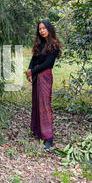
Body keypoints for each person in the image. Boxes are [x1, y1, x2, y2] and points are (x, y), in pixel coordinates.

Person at [24, 20, 62, 152]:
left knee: (45, 105)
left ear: (49, 29)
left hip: (44, 76)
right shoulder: (39, 44)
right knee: (37, 103)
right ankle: (38, 131)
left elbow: (47, 64)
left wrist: (32, 71)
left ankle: (49, 138)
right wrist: (29, 72)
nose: (42, 30)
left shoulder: (54, 45)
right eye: (40, 29)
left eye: (44, 28)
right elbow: (33, 59)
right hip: (36, 76)